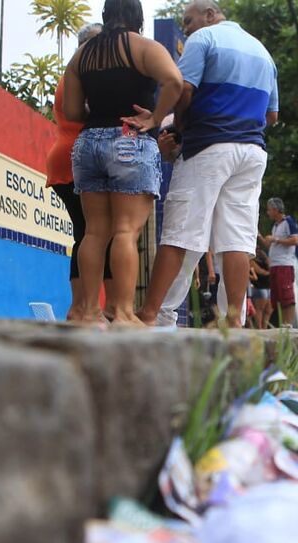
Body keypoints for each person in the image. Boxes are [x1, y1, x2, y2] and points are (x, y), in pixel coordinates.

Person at [131, 0, 279, 329]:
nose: (186, 28)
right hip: (252, 152)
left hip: (208, 146)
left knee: (181, 233)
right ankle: (232, 322)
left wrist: (178, 125)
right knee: (237, 240)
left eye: (189, 20)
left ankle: (151, 315)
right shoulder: (263, 53)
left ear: (210, 15)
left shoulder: (205, 39)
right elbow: (272, 115)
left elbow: (183, 88)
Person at [61, 0, 183, 326]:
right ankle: (125, 313)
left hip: (88, 142)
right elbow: (175, 80)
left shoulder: (82, 55)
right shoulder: (144, 47)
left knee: (94, 232)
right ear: (137, 17)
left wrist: (99, 117)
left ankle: (88, 312)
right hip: (130, 137)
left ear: (105, 16)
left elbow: (72, 111)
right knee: (126, 232)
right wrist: (156, 117)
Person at [47, 23, 119, 321]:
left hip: (71, 157)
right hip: (77, 158)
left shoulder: (72, 75)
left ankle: (92, 307)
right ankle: (85, 307)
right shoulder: (81, 76)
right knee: (93, 233)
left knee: (95, 233)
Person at [262, 197, 298, 327]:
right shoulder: (276, 226)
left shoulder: (288, 222)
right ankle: (282, 323)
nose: (268, 213)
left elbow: (295, 240)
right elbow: (271, 244)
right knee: (277, 296)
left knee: (286, 294)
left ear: (276, 210)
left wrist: (276, 239)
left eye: (269, 210)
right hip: (275, 264)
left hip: (285, 264)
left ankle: (288, 323)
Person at [249, 246, 272, 327]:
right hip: (262, 286)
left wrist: (265, 258)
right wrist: (268, 273)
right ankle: (261, 328)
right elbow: (261, 271)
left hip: (264, 286)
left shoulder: (258, 258)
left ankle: (262, 328)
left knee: (265, 310)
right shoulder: (253, 259)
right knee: (262, 310)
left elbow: (267, 268)